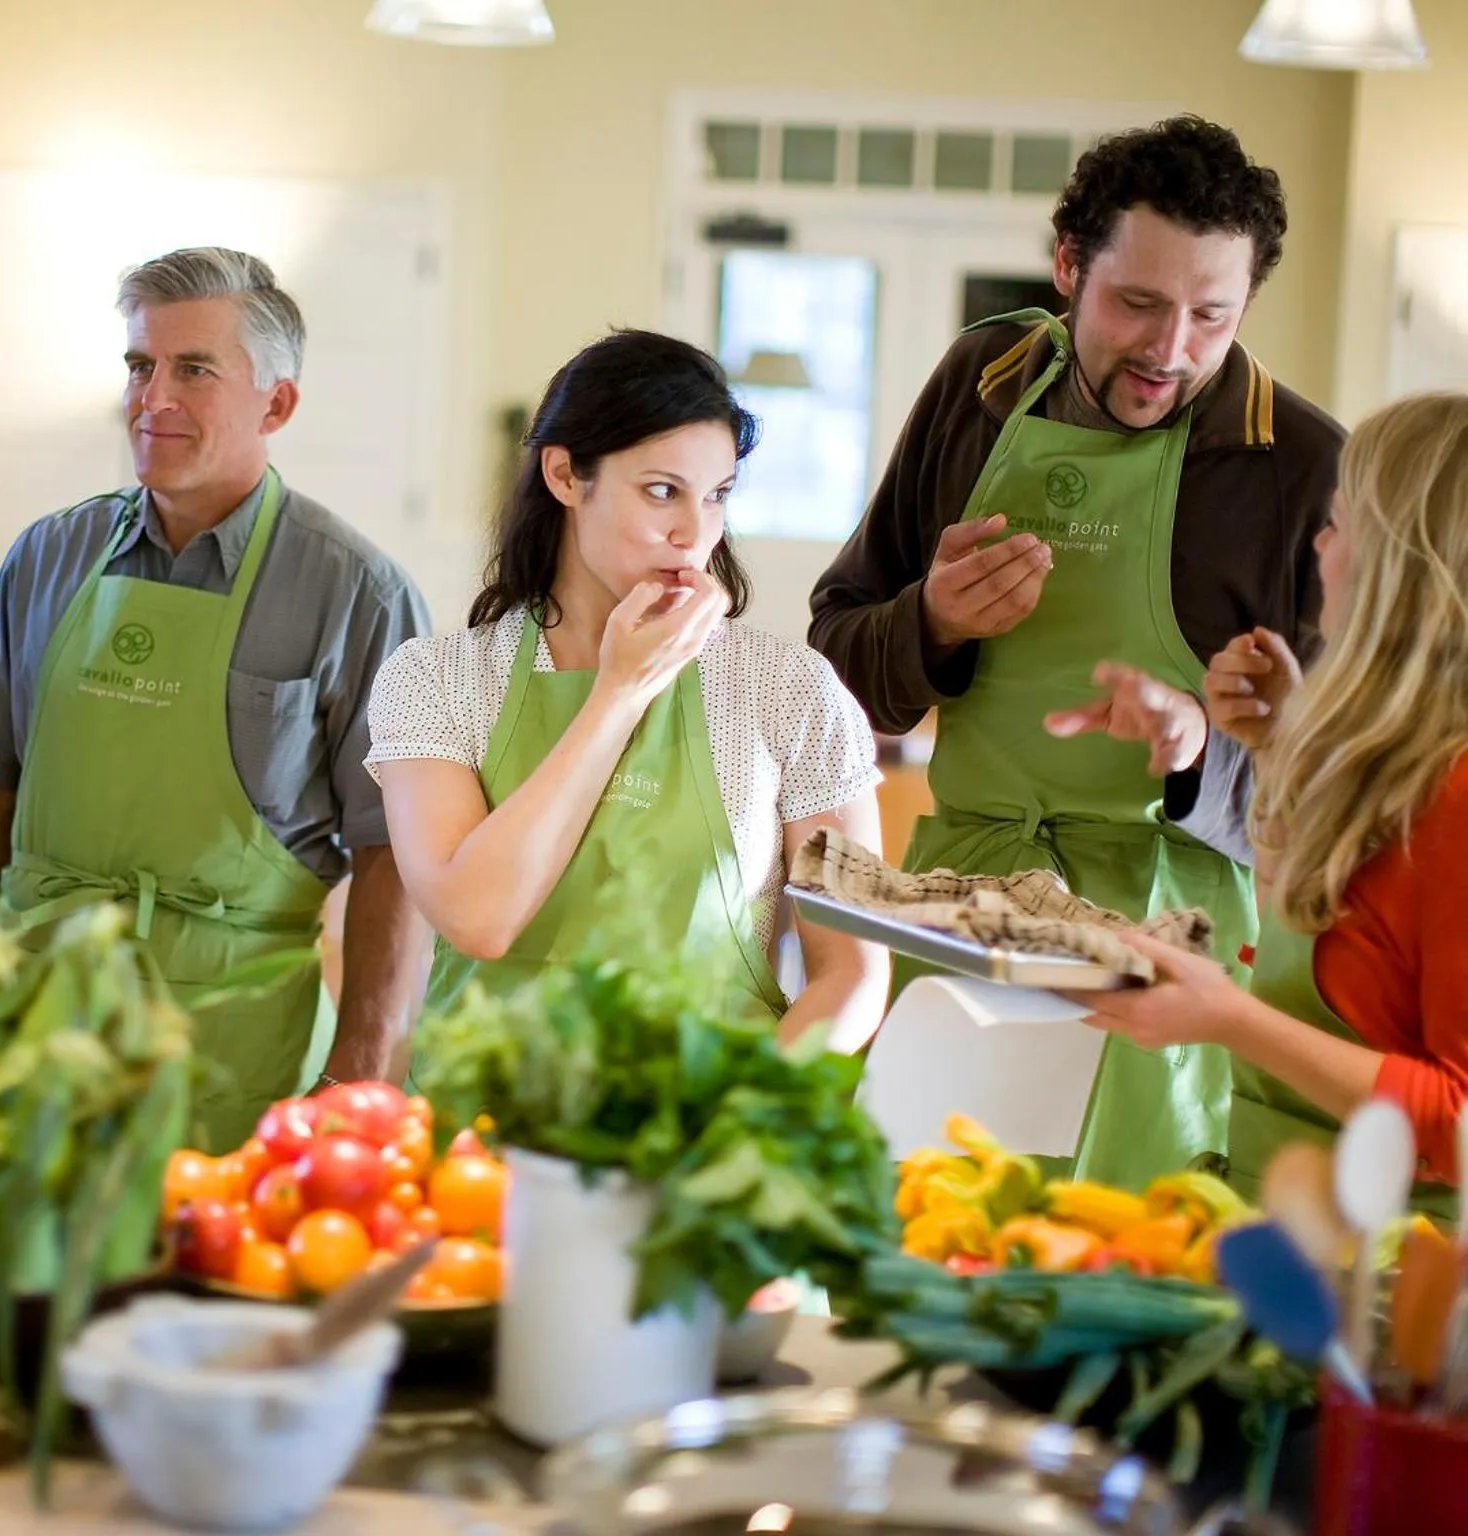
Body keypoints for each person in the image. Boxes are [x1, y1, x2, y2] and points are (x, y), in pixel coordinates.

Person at [807, 116, 1345, 1188]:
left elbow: (1334, 791)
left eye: (1210, 316)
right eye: (1134, 304)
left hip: (1170, 944)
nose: (1169, 351)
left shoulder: (1301, 468)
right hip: (958, 906)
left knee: (1123, 1246)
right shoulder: (978, 383)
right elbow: (835, 659)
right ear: (1065, 267)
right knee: (917, 1231)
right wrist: (932, 622)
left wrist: (1200, 745)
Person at [0, 246, 433, 1152]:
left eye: (193, 370)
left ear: (277, 403)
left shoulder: (358, 592)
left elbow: (395, 853)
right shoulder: (47, 556)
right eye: (139, 366)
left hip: (230, 1049)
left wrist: (360, 1075)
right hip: (27, 1024)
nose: (152, 399)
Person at [370, 329, 887, 1045]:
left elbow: (853, 972)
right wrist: (619, 692)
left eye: (716, 496)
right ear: (564, 476)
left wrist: (745, 1115)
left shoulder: (787, 688)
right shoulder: (436, 681)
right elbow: (477, 918)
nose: (692, 533)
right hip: (486, 1129)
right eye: (661, 492)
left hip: (707, 1127)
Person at [1071, 393, 1468, 1214]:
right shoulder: (1406, 769)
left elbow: (1456, 1124)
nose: (1320, 547)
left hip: (1390, 1293)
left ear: (1399, 568)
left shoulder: (1460, 795)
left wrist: (1226, 1019)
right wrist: (1282, 746)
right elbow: (1351, 936)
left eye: (1339, 523)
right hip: (1292, 1235)